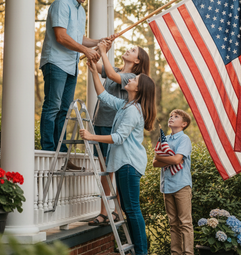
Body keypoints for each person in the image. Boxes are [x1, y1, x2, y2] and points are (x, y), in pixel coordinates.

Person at [80, 59, 156, 255]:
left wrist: (91, 136)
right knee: (129, 210)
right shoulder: (125, 104)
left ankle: (141, 252)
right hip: (125, 163)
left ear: (138, 89)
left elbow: (119, 138)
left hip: (129, 164)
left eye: (135, 79)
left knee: (132, 210)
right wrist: (93, 73)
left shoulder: (132, 110)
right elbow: (103, 96)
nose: (130, 80)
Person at [39, 0, 113, 155]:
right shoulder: (61, 4)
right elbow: (61, 37)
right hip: (55, 63)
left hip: (70, 66)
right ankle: (48, 149)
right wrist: (86, 51)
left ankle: (60, 150)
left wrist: (98, 41)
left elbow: (78, 38)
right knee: (52, 106)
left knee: (64, 110)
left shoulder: (80, 10)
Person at [88, 42, 150, 226]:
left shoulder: (132, 77)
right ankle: (110, 211)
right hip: (99, 122)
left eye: (133, 50)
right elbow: (99, 67)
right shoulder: (114, 68)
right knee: (103, 169)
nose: (128, 50)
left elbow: (113, 75)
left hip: (111, 126)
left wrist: (104, 51)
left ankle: (107, 211)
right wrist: (94, 51)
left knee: (109, 170)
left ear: (137, 60)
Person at [153, 109, 193, 255]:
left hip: (181, 185)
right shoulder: (164, 140)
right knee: (173, 223)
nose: (171, 118)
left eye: (176, 117)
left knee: (185, 223)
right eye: (170, 116)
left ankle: (188, 253)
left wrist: (162, 158)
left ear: (183, 124)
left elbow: (177, 159)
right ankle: (176, 253)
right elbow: (154, 163)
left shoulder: (184, 139)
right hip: (167, 185)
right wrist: (167, 159)